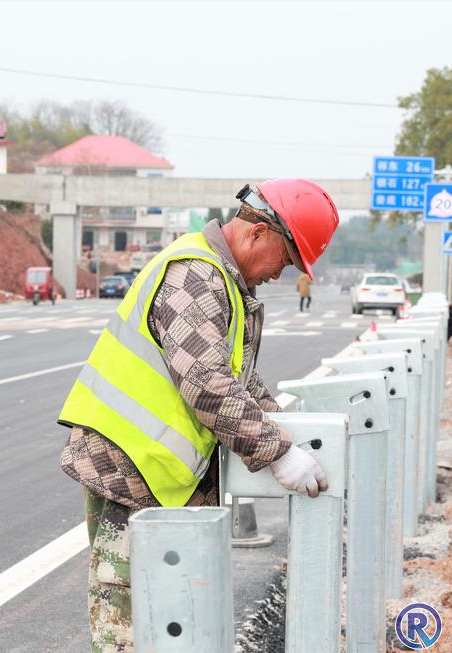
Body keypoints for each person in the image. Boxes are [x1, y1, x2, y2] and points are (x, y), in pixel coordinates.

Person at [57, 179, 340, 652]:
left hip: (157, 475)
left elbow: (240, 380)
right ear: (259, 233)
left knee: (173, 619)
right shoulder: (195, 276)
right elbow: (206, 383)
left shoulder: (222, 281)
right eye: (286, 260)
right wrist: (277, 451)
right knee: (130, 625)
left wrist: (293, 435)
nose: (281, 274)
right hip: (129, 470)